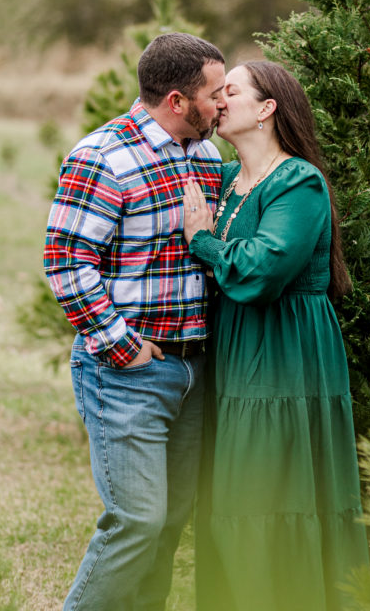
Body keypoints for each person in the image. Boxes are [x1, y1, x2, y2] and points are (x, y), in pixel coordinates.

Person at [44, 32, 226, 611]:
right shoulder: (102, 157)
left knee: (169, 523)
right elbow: (67, 261)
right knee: (138, 520)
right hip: (129, 374)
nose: (222, 104)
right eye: (214, 94)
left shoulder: (205, 155)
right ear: (177, 100)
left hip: (193, 372)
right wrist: (123, 347)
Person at [183, 60, 369, 611]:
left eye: (230, 92)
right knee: (233, 496)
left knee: (274, 490)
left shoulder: (299, 182)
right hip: (236, 348)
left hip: (286, 351)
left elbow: (263, 270)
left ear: (266, 109)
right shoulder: (222, 179)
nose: (218, 102)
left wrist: (204, 242)